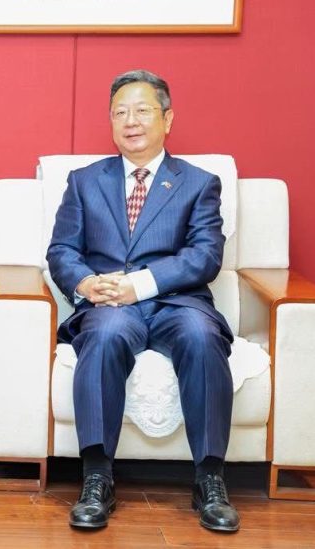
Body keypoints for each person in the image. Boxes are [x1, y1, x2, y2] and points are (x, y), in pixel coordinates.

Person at [46, 69, 240, 532]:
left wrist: (141, 284)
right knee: (104, 335)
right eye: (120, 112)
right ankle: (97, 477)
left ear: (167, 119)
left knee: (201, 337)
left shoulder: (199, 183)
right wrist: (86, 283)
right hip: (109, 305)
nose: (130, 121)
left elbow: (205, 255)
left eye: (142, 110)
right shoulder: (84, 181)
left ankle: (210, 479)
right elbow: (62, 250)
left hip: (177, 302)